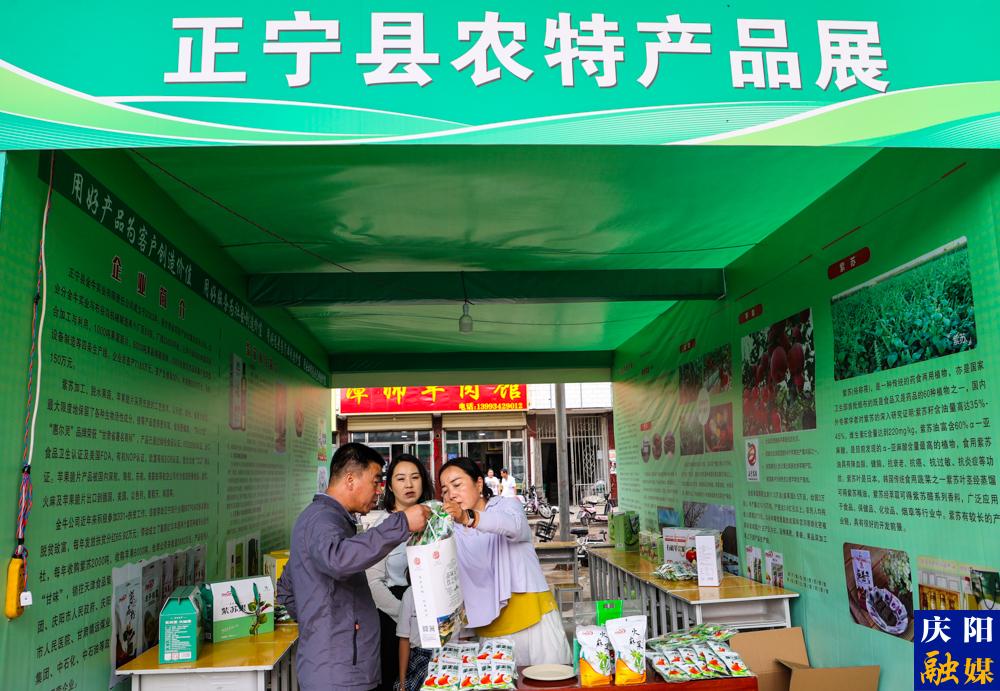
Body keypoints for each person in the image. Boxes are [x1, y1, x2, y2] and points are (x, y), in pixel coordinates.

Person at [277, 443, 431, 691]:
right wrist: (401, 523)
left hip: (339, 665)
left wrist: (319, 623)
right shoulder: (323, 519)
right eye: (375, 481)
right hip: (340, 672)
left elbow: (287, 587)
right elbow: (338, 559)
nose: (378, 490)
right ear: (350, 479)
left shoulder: (326, 519)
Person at [439, 458, 571, 666]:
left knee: (550, 679)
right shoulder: (450, 531)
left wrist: (468, 517)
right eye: (445, 490)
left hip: (533, 620)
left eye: (457, 485)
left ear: (479, 484)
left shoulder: (507, 506)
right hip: (490, 633)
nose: (451, 494)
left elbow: (513, 526)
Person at [366, 455, 434, 691]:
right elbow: (373, 583)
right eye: (401, 478)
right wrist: (406, 617)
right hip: (395, 617)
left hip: (433, 615)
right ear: (390, 486)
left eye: (415, 477)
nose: (409, 484)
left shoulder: (436, 519)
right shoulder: (384, 525)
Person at [394, 577, 432, 691]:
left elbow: (464, 638)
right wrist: (402, 684)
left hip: (448, 657)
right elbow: (404, 639)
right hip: (419, 658)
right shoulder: (411, 592)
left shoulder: (454, 591)